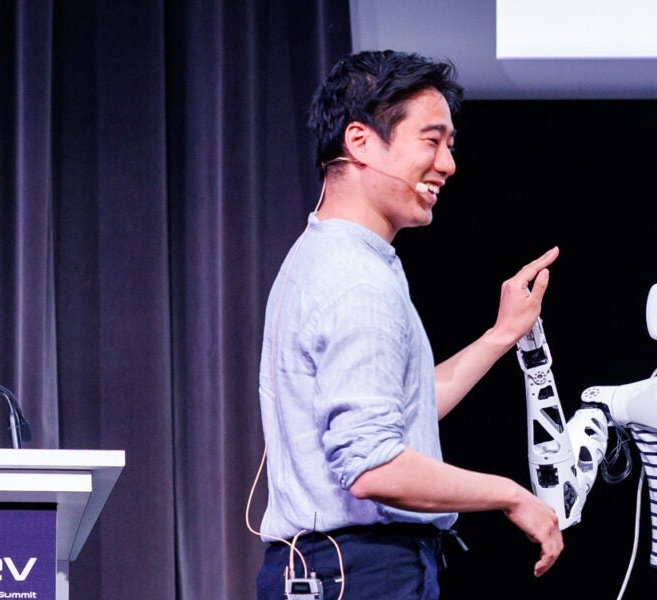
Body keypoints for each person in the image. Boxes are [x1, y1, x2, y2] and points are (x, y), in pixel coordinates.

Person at [252, 50, 562, 599]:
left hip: (338, 571)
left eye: (450, 144)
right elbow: (373, 466)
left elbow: (404, 406)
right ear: (361, 141)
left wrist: (499, 336)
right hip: (360, 574)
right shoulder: (356, 281)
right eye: (431, 139)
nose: (448, 163)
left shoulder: (331, 258)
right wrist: (512, 494)